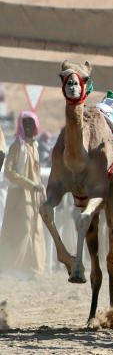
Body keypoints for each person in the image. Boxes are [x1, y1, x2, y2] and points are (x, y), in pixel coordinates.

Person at [0, 111, 47, 277]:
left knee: (36, 230)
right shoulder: (16, 146)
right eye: (25, 123)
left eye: (31, 123)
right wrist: (30, 185)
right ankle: (13, 267)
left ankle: (33, 268)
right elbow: (9, 172)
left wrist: (40, 190)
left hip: (33, 198)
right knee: (23, 229)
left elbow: (37, 174)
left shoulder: (33, 146)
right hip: (19, 197)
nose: (28, 127)